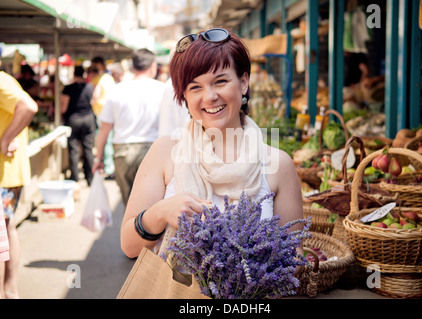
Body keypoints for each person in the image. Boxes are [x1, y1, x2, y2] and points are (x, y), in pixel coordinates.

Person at [120, 28, 304, 265]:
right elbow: (129, 246)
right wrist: (161, 212)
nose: (209, 97)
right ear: (184, 95)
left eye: (220, 82)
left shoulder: (279, 164)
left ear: (244, 83)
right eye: (195, 87)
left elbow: (296, 255)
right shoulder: (165, 152)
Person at [92, 48, 165, 207]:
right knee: (153, 206)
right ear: (153, 67)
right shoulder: (163, 90)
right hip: (153, 151)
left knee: (130, 206)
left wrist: (98, 158)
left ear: (133, 67)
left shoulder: (117, 90)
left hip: (122, 154)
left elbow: (104, 128)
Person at [0, 69, 38, 299]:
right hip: (9, 172)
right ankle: (10, 291)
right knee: (8, 229)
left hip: (5, 172)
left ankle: (9, 291)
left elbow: (29, 106)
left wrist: (5, 139)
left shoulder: (1, 81)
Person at [60, 66, 96, 186]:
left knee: (74, 150)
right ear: (84, 74)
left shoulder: (68, 88)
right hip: (88, 119)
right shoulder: (89, 87)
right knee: (88, 149)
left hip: (73, 120)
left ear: (74, 74)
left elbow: (63, 107)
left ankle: (75, 178)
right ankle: (90, 178)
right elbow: (94, 101)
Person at [90, 56, 116, 179]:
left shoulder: (100, 79)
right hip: (109, 112)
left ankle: (109, 167)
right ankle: (109, 166)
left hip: (101, 113)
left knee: (104, 140)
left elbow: (95, 97)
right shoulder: (109, 78)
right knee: (108, 140)